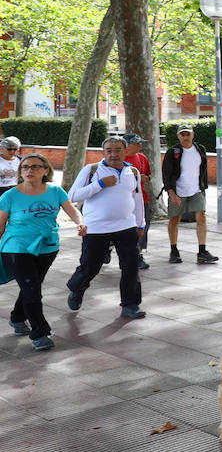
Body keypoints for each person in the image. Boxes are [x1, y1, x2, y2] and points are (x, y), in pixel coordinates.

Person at [3, 154, 84, 351]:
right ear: (20, 171)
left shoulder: (56, 191)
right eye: (25, 167)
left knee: (32, 286)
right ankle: (40, 333)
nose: (29, 171)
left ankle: (17, 317)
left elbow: (72, 211)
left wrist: (80, 223)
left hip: (47, 246)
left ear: (46, 170)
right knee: (32, 290)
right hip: (16, 247)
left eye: (35, 167)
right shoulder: (10, 196)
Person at [65, 136, 147, 319]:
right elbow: (73, 195)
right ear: (104, 153)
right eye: (109, 150)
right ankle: (77, 287)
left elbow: (137, 198)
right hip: (96, 228)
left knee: (131, 267)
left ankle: (130, 304)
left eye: (118, 150)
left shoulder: (132, 172)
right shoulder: (92, 170)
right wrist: (100, 184)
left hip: (126, 226)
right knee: (90, 266)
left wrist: (141, 223)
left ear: (125, 151)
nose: (113, 154)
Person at [162, 125, 217, 264]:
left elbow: (202, 169)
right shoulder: (173, 152)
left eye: (188, 134)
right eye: (182, 134)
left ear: (193, 135)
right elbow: (166, 174)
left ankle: (202, 251)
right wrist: (171, 193)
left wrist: (203, 186)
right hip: (178, 191)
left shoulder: (200, 149)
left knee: (202, 217)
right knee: (175, 219)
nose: (185, 137)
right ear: (178, 136)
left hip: (197, 190)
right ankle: (174, 250)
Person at [124, 134, 152, 271]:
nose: (140, 146)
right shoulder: (118, 159)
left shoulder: (142, 158)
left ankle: (139, 255)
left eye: (141, 143)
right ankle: (108, 248)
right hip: (123, 200)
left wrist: (145, 178)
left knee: (143, 226)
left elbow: (148, 175)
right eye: (137, 143)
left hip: (141, 198)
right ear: (127, 145)